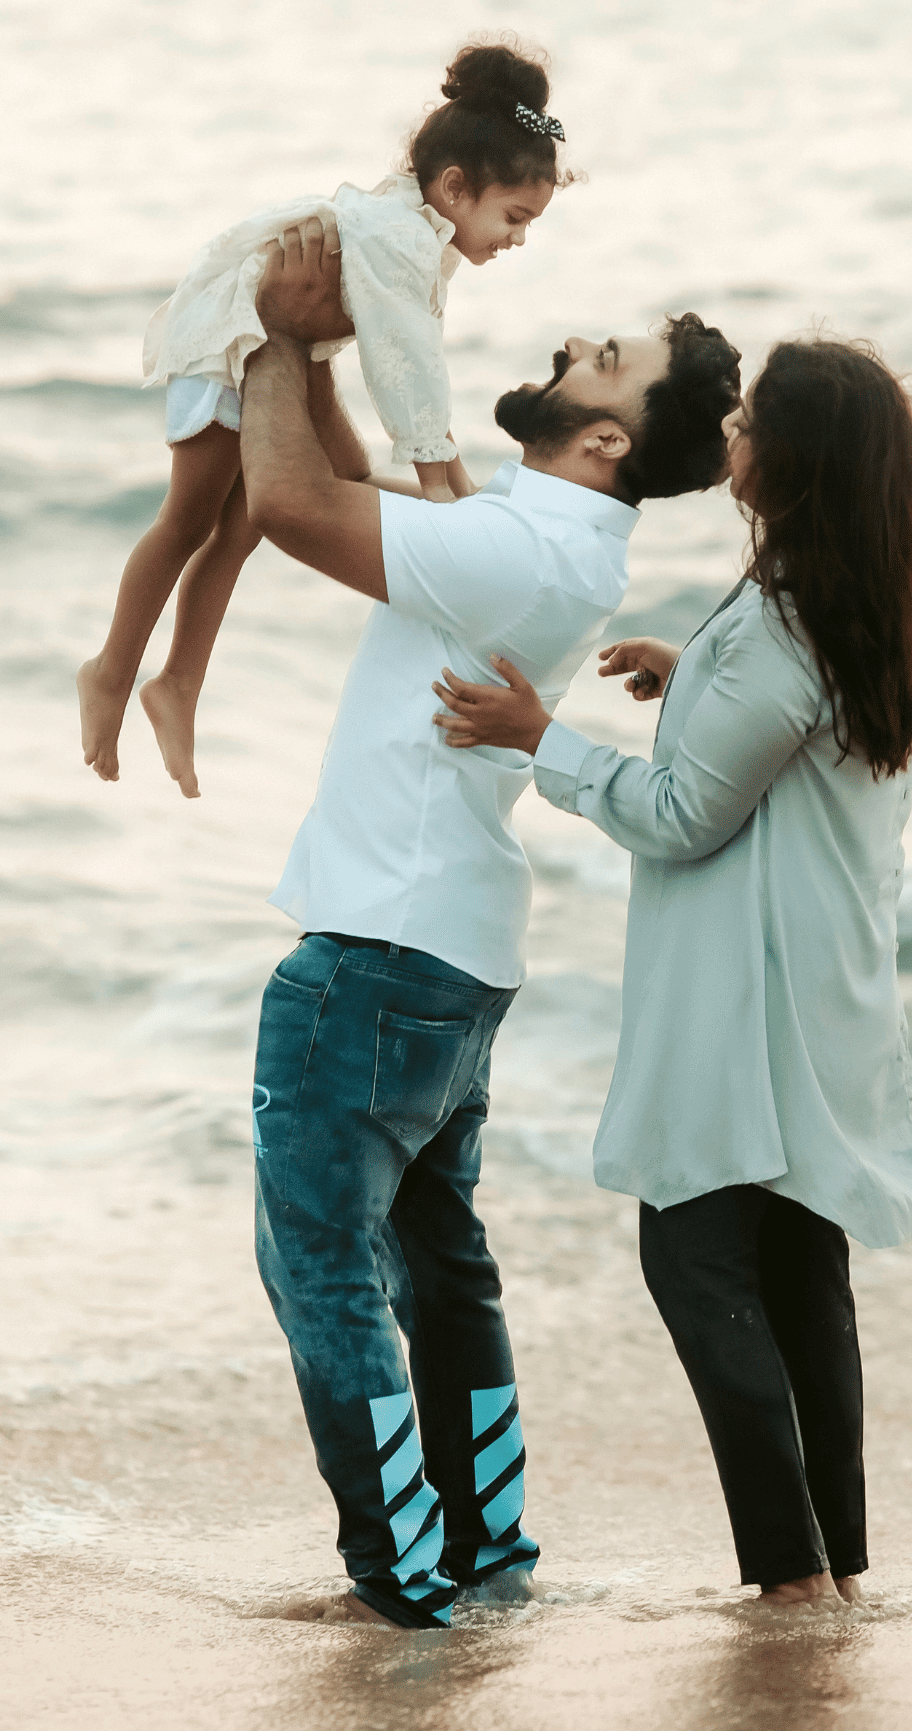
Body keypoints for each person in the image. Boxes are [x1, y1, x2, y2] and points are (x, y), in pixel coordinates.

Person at [240, 215, 742, 1629]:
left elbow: (286, 505)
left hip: (379, 953)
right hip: (446, 957)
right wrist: (322, 350)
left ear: (605, 443)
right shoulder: (539, 541)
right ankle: (490, 1550)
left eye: (610, 362)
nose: (575, 345)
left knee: (324, 1264)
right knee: (438, 1269)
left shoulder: (521, 553)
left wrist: (274, 333)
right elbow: (336, 475)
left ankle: (405, 1573)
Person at [435, 335, 912, 1610]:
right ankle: (835, 1570)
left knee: (697, 1259)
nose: (730, 437)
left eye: (753, 424)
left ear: (798, 465)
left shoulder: (781, 628)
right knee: (796, 1269)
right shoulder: (849, 600)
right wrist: (691, 677)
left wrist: (541, 738)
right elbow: (762, 743)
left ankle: (789, 1578)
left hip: (749, 1001)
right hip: (817, 986)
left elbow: (678, 818)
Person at [77, 37, 568, 798]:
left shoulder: (420, 228)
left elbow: (403, 351)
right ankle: (109, 672)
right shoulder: (403, 236)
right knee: (190, 520)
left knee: (239, 530)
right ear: (454, 187)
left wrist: (451, 479)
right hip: (227, 334)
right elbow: (405, 363)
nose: (519, 237)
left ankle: (176, 683)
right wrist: (441, 484)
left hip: (266, 342)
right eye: (513, 215)